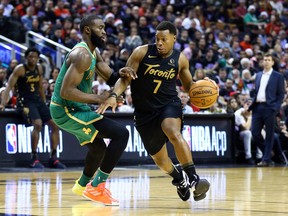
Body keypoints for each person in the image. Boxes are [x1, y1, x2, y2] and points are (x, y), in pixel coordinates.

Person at [97, 21, 211, 202]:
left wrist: (203, 87)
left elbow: (190, 86)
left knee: (172, 130)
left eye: (164, 39)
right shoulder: (141, 52)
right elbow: (125, 79)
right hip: (144, 113)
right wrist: (114, 94)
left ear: (174, 38)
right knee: (161, 161)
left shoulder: (180, 59)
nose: (159, 43)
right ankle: (179, 178)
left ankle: (194, 178)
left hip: (169, 104)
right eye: (157, 39)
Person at [49, 15, 135, 206]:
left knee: (98, 148)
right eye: (100, 28)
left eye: (104, 28)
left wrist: (122, 73)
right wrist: (99, 98)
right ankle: (96, 186)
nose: (104, 32)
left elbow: (111, 76)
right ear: (87, 30)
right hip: (65, 109)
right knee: (121, 134)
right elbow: (66, 91)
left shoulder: (93, 53)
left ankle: (81, 186)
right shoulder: (82, 55)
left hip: (76, 107)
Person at [0, 47, 66, 169]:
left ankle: (53, 158)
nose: (33, 59)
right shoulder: (20, 69)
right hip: (25, 102)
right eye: (30, 56)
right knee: (38, 124)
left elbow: (40, 86)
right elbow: (9, 86)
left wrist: (44, 101)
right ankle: (34, 158)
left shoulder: (39, 68)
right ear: (26, 57)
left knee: (55, 125)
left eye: (35, 57)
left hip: (38, 101)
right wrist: (3, 103)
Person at [249, 53, 285, 167]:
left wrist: (276, 107)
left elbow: (280, 94)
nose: (266, 61)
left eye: (269, 60)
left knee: (269, 135)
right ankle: (268, 153)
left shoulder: (278, 76)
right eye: (265, 60)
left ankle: (266, 159)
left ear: (273, 62)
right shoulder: (258, 75)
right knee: (254, 132)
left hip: (270, 108)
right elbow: (256, 91)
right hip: (257, 107)